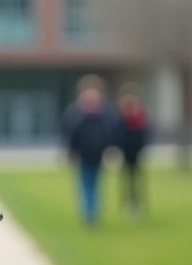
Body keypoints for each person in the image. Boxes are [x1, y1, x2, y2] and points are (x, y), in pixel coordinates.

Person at [61, 75, 116, 226]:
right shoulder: (77, 113)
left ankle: (92, 213)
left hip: (96, 154)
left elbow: (110, 133)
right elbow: (70, 133)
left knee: (93, 185)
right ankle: (90, 213)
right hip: (85, 154)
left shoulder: (103, 113)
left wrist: (110, 149)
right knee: (87, 185)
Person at [114, 84, 150, 217]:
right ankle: (128, 203)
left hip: (136, 152)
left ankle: (136, 203)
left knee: (136, 178)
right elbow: (117, 134)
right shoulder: (122, 118)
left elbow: (144, 134)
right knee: (127, 179)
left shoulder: (138, 117)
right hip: (126, 152)